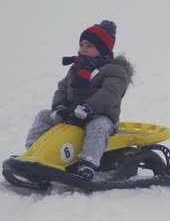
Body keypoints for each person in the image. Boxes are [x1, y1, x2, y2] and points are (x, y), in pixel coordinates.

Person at [25, 20, 134, 180]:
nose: (83, 49)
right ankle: (33, 153)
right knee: (43, 115)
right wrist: (60, 107)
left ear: (102, 50)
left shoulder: (115, 71)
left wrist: (89, 107)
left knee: (98, 126)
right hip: (73, 115)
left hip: (102, 116)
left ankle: (88, 164)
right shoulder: (77, 68)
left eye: (89, 46)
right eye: (81, 44)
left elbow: (110, 93)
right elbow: (63, 88)